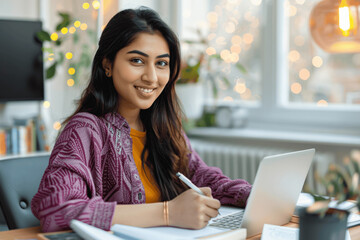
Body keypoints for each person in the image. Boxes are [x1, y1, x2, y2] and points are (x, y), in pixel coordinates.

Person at [31, 7, 252, 232]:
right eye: (137, 60)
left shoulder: (165, 127)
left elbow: (203, 177)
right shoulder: (84, 131)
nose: (152, 77)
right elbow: (56, 210)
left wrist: (254, 194)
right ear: (108, 64)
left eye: (161, 63)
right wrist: (169, 212)